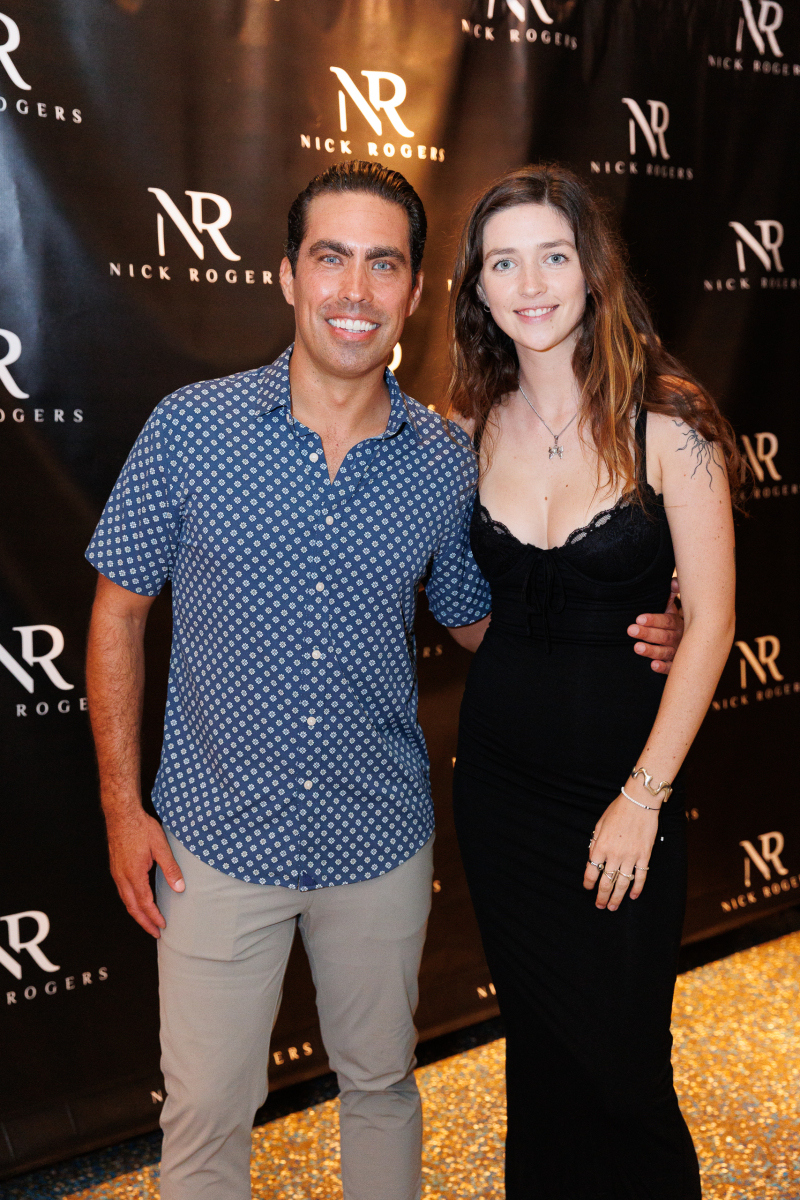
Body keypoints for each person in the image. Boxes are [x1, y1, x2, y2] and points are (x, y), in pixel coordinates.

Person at [84, 161, 681, 1200]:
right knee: (206, 1120)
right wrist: (120, 807)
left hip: (379, 842)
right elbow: (117, 616)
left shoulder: (445, 460)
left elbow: (481, 619)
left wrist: (617, 633)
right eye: (331, 259)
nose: (354, 290)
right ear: (287, 276)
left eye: (383, 264)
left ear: (414, 293)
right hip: (212, 844)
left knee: (381, 1088)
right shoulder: (190, 428)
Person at [447, 163, 742, 1200]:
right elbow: (471, 611)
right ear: (478, 289)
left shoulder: (669, 426)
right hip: (498, 792)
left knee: (623, 1067)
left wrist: (642, 797)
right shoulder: (465, 431)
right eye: (502, 263)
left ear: (592, 272)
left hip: (623, 786)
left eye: (552, 256)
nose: (529, 283)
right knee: (540, 1057)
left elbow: (711, 622)